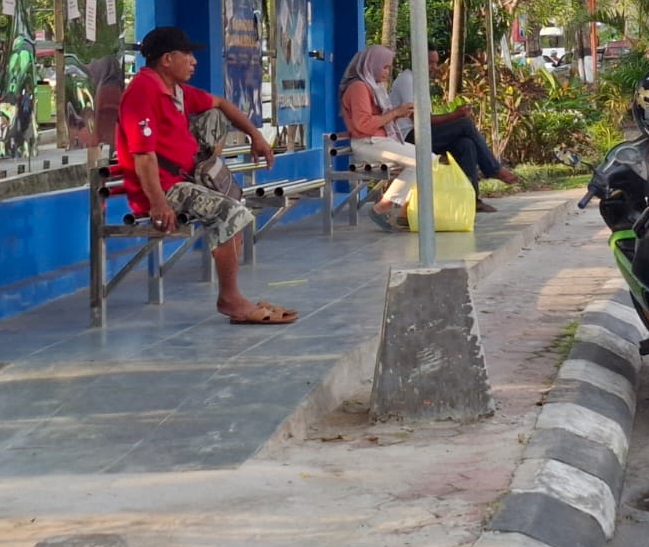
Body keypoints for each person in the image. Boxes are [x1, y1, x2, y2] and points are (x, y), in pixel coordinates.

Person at [113, 26, 295, 325]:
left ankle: (206, 171)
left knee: (216, 114)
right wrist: (158, 204)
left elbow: (222, 104)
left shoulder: (178, 91)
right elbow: (143, 156)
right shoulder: (142, 91)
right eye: (188, 55)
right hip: (161, 188)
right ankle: (230, 299)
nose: (194, 61)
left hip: (185, 177)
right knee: (230, 212)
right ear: (168, 59)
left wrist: (255, 137)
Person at [389, 48, 521, 211]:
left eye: (435, 62)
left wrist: (455, 115)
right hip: (408, 139)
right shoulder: (407, 81)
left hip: (421, 134)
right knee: (464, 124)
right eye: (430, 63)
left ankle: (472, 200)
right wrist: (455, 115)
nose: (434, 67)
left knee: (466, 145)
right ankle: (493, 169)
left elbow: (425, 121)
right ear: (417, 60)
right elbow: (421, 120)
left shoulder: (419, 81)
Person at [340, 44, 420, 230]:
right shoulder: (359, 87)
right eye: (385, 67)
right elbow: (363, 125)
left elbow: (378, 118)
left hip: (379, 141)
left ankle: (401, 212)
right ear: (372, 64)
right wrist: (394, 113)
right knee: (420, 161)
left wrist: (398, 113)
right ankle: (383, 207)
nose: (387, 72)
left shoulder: (373, 86)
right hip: (367, 143)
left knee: (428, 159)